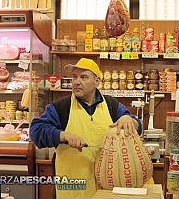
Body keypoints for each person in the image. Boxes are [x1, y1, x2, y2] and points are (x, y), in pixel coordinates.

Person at [30, 58, 142, 199]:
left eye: (83, 77)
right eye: (74, 77)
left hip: (105, 189)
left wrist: (130, 120)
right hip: (73, 187)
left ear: (97, 81)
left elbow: (137, 127)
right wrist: (63, 136)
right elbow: (36, 130)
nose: (76, 82)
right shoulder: (60, 107)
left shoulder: (111, 105)